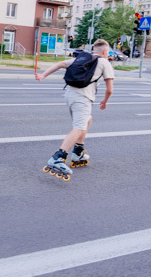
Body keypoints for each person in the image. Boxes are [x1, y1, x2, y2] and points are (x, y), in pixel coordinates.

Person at [35, 39, 114, 179]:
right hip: (82, 99)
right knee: (78, 127)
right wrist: (105, 101)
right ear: (104, 52)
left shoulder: (83, 58)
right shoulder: (104, 62)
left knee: (87, 120)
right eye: (108, 52)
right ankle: (58, 156)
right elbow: (110, 90)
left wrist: (43, 75)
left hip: (70, 95)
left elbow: (60, 64)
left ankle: (78, 151)